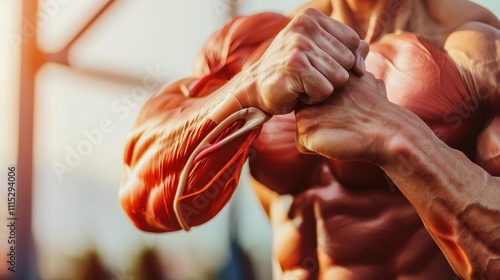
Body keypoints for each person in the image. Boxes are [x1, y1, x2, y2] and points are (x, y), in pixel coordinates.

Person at [118, 0, 500, 278]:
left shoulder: (478, 53)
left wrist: (397, 136)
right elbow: (143, 195)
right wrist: (247, 89)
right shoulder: (259, 45)